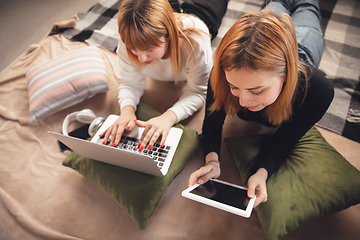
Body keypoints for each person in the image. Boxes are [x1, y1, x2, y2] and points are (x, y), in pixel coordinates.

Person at [188, 0, 334, 208]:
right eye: (234, 87)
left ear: (286, 77)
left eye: (257, 91)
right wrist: (212, 160)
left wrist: (262, 172)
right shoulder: (222, 74)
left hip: (305, 45)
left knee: (307, 7)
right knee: (274, 7)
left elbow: (285, 140)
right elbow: (212, 123)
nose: (243, 101)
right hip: (269, 35)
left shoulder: (318, 91)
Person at [100, 0, 229, 150]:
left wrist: (168, 118)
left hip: (201, 15)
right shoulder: (130, 38)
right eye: (134, 50)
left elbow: (198, 92)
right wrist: (126, 110)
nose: (141, 59)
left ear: (168, 36)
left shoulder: (195, 43)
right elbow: (129, 82)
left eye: (149, 49)